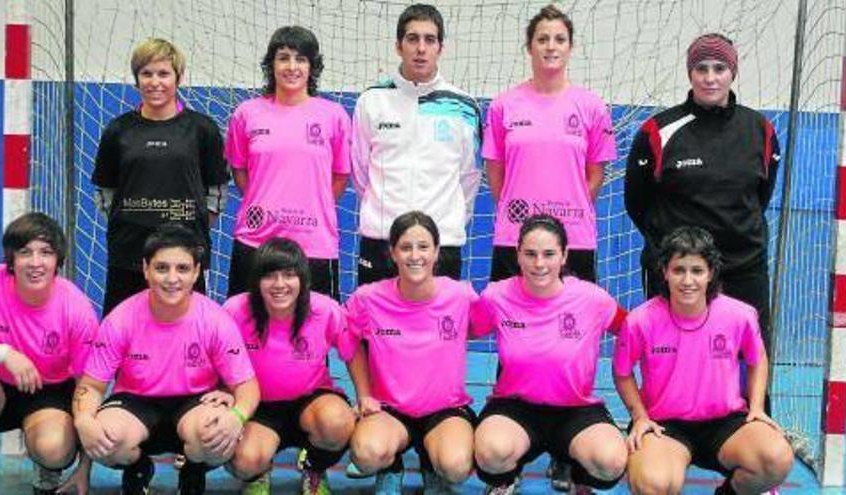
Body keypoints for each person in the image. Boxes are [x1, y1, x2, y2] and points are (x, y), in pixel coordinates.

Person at [73, 224, 259, 495]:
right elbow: (91, 386)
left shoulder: (216, 321)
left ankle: (193, 471)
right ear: (146, 269)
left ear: (196, 272)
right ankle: (138, 467)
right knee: (104, 436)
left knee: (218, 432)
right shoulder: (120, 319)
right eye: (162, 268)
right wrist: (83, 420)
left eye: (182, 268)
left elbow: (247, 387)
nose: (172, 278)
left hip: (196, 404)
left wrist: (237, 416)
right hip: (136, 404)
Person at [625, 33, 780, 355]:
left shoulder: (760, 130)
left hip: (743, 268)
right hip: (676, 271)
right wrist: (676, 250)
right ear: (690, 73)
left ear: (732, 72)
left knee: (750, 361)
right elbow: (637, 202)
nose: (710, 78)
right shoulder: (658, 131)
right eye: (701, 68)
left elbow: (760, 197)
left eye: (719, 68)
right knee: (675, 362)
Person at [613, 226, 793, 494]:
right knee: (652, 484)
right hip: (664, 426)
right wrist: (639, 416)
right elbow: (622, 372)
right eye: (678, 270)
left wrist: (756, 407)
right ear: (665, 272)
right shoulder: (640, 321)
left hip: (726, 423)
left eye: (697, 270)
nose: (688, 280)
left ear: (710, 273)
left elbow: (758, 359)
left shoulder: (740, 315)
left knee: (776, 458)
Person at [472, 214, 628, 494]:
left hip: (576, 410)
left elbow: (636, 330)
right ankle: (506, 480)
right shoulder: (496, 296)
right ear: (518, 254)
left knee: (610, 461)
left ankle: (580, 479)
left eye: (549, 254)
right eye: (530, 254)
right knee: (491, 453)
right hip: (515, 408)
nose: (539, 263)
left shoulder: (592, 299)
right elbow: (462, 332)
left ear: (564, 255)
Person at [92, 37, 229, 315]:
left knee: (187, 330)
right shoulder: (118, 131)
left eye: (163, 74)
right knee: (122, 328)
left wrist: (191, 225)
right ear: (137, 79)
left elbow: (216, 191)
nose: (155, 82)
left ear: (178, 77)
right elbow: (106, 192)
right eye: (147, 74)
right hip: (128, 253)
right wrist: (133, 219)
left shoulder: (202, 129)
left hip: (184, 253)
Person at [343, 211, 477, 495]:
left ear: (437, 252)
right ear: (393, 253)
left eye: (423, 247)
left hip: (445, 410)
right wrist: (364, 394)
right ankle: (391, 467)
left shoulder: (461, 296)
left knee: (456, 467)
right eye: (405, 247)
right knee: (366, 454)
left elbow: (481, 326)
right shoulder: (368, 298)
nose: (415, 256)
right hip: (389, 411)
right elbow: (348, 338)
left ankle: (432, 465)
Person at [0, 212, 97, 495]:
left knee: (54, 449)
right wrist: (2, 353)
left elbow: (90, 387)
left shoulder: (77, 309)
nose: (36, 262)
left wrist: (84, 468)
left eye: (46, 252)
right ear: (11, 259)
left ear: (57, 260)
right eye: (25, 252)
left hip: (48, 394)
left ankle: (46, 466)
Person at [484, 4, 616, 284]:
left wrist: (570, 210)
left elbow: (595, 175)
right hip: (514, 237)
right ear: (529, 47)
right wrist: (516, 209)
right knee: (510, 312)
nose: (551, 47)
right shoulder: (503, 106)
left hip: (574, 238)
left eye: (559, 39)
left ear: (570, 47)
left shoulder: (593, 107)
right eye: (542, 39)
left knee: (575, 313)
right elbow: (495, 171)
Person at [351, 3, 482, 285]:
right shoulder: (371, 101)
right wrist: (384, 215)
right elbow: (361, 173)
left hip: (441, 243)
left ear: (440, 48)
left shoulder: (464, 107)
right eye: (412, 39)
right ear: (398, 46)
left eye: (429, 40)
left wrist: (444, 223)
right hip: (381, 241)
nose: (421, 48)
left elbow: (469, 177)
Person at [221, 238, 355, 495]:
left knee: (338, 423)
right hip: (257, 406)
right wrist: (220, 391)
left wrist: (366, 395)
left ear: (302, 279)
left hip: (311, 401)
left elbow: (353, 351)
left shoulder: (324, 309)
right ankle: (258, 473)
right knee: (245, 460)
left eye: (289, 275)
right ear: (256, 281)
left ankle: (314, 466)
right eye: (270, 276)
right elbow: (215, 356)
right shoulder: (235, 311)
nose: (280, 284)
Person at [225, 26, 351, 299]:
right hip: (256, 240)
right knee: (246, 321)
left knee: (317, 324)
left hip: (314, 243)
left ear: (312, 67)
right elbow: (240, 169)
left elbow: (340, 176)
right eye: (283, 58)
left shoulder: (334, 116)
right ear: (271, 65)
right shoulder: (246, 114)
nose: (292, 67)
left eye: (300, 59)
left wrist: (312, 205)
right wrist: (266, 201)